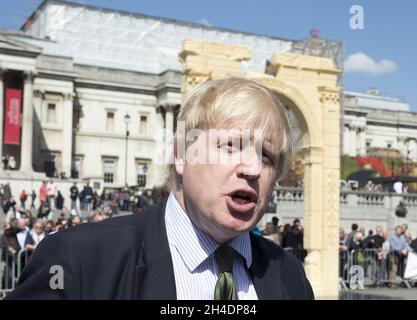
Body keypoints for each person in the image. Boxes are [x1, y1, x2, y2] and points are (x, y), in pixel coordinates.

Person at [6, 78, 313, 300]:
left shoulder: (290, 275)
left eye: (267, 156)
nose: (253, 168)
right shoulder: (77, 261)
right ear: (180, 155)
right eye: (231, 146)